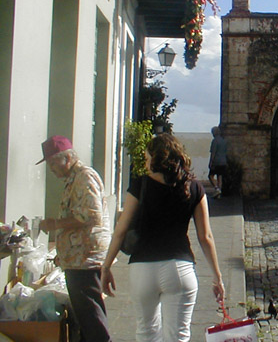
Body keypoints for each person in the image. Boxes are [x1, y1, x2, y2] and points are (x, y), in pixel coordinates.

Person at [101, 134, 225, 342]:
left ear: (155, 159)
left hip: (142, 269)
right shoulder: (194, 187)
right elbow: (206, 237)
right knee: (178, 336)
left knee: (146, 332)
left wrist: (106, 267)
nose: (146, 162)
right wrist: (217, 277)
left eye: (147, 157)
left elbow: (120, 230)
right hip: (180, 268)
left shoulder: (140, 186)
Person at [37, 135, 112, 342]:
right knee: (85, 316)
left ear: (67, 159)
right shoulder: (74, 179)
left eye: (53, 163)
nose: (52, 169)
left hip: (85, 258)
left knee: (91, 316)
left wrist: (55, 224)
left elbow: (90, 215)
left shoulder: (84, 177)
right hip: (77, 257)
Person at [208, 126, 228, 198]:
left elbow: (213, 153)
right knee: (220, 177)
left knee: (210, 176)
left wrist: (211, 162)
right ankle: (219, 193)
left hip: (216, 161)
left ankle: (217, 189)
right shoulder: (224, 141)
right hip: (223, 161)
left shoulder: (215, 141)